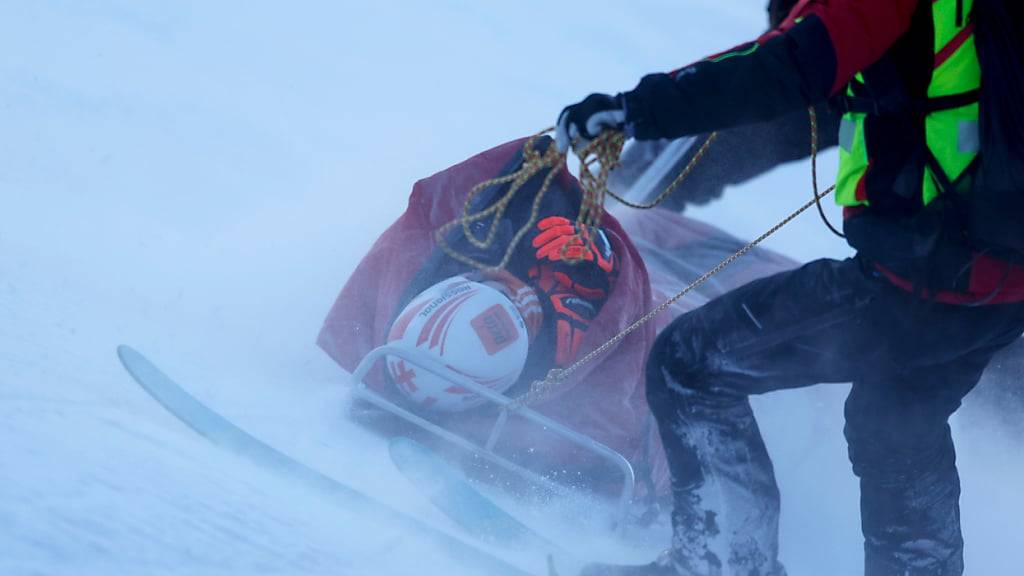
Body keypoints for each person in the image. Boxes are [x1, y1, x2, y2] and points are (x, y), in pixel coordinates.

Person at [557, 0, 1024, 574]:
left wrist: (636, 110)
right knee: (895, 422)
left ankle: (725, 565)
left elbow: (785, 66)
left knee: (689, 364)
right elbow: (805, 96)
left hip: (920, 284)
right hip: (1001, 295)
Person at [317, 136, 798, 506]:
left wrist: (592, 252)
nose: (518, 293)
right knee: (726, 306)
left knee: (702, 271)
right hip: (650, 298)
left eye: (506, 293)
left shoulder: (480, 261)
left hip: (655, 284)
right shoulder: (580, 408)